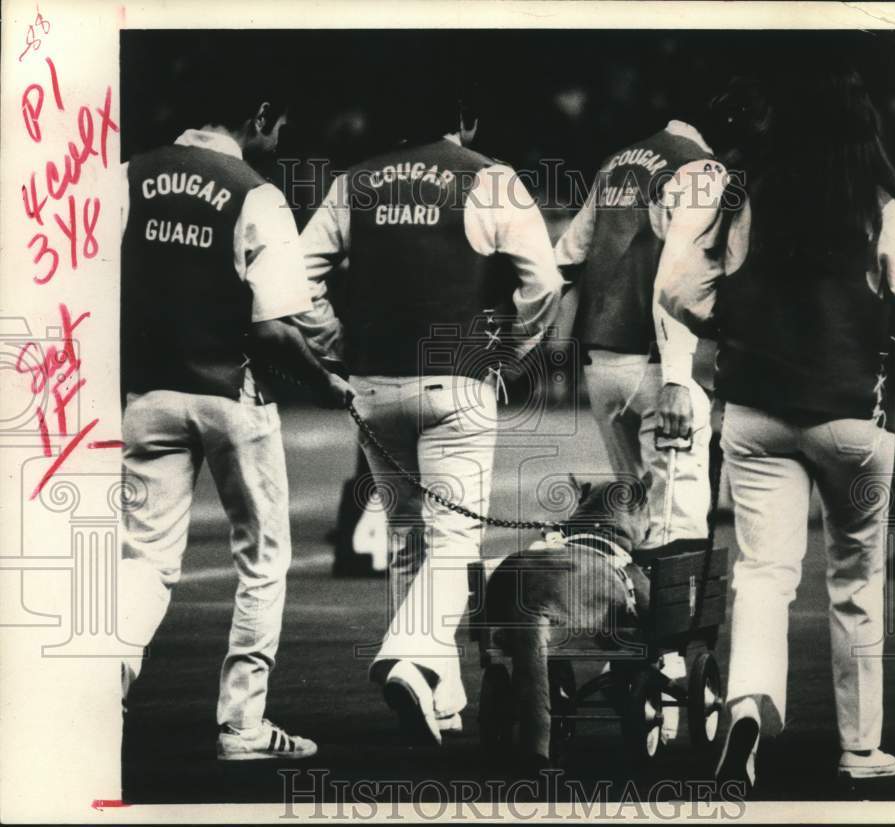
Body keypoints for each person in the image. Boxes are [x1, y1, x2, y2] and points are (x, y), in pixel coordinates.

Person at [654, 66, 895, 788]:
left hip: (755, 412)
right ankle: (860, 749)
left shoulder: (743, 195)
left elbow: (675, 288)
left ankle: (747, 705)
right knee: (856, 581)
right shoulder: (880, 207)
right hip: (853, 417)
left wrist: (731, 325)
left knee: (763, 572)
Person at [299, 88, 564, 745]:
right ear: (466, 120)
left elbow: (295, 278)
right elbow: (546, 282)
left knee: (408, 537)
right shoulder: (490, 177)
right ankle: (410, 656)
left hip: (374, 385)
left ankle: (438, 699)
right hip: (458, 378)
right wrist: (513, 351)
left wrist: (337, 345)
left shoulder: (351, 183)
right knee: (453, 541)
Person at [117, 78, 355, 761]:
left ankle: (104, 685)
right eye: (277, 128)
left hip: (147, 396)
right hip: (233, 394)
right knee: (262, 560)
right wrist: (326, 379)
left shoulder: (124, 175)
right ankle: (242, 726)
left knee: (147, 559)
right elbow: (276, 329)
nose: (278, 143)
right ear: (258, 115)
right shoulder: (255, 192)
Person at [553, 119, 717, 741]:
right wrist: (680, 373)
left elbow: (566, 257)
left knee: (634, 520)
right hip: (658, 368)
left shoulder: (615, 162)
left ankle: (631, 655)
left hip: (604, 367)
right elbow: (682, 275)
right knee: (677, 525)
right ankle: (669, 677)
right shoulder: (698, 169)